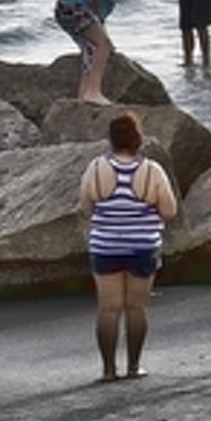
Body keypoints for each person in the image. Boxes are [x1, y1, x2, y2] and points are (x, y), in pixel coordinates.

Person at [77, 110, 179, 381]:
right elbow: (169, 211)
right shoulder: (151, 171)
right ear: (138, 139)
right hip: (142, 246)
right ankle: (134, 367)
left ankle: (109, 370)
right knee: (136, 308)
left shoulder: (96, 169)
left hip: (105, 246)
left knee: (108, 308)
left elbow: (85, 208)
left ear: (111, 139)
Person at [55, 0, 138, 103]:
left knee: (91, 49)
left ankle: (83, 95)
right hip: (76, 7)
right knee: (102, 46)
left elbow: (98, 24)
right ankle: (94, 92)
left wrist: (108, 43)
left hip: (63, 7)